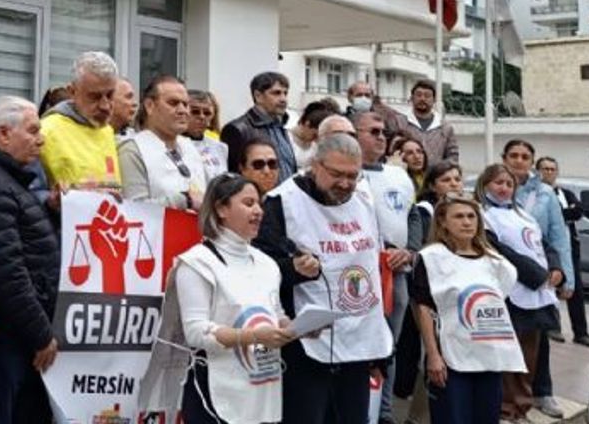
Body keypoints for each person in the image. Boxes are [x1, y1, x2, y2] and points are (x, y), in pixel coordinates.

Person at [255, 134, 392, 424]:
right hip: (305, 341)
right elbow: (259, 267)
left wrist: (379, 342)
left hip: (359, 337)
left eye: (352, 176)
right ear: (315, 165)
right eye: (336, 174)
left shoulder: (365, 198)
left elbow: (372, 268)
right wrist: (293, 269)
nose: (345, 183)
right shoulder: (283, 201)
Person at [145, 174, 295, 423]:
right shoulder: (197, 263)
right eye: (248, 203)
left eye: (259, 204)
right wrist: (255, 336)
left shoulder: (267, 264)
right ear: (221, 209)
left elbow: (276, 314)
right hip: (215, 388)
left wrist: (297, 328)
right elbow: (196, 332)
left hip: (262, 385)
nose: (258, 211)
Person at [0, 97, 58, 424]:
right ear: (4, 134)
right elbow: (8, 269)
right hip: (10, 335)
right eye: (33, 131)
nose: (41, 140)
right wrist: (41, 332)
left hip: (20, 332)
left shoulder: (11, 180)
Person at [412, 194, 527, 424]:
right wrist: (433, 355)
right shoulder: (431, 258)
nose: (466, 222)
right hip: (452, 359)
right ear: (443, 221)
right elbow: (423, 308)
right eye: (458, 216)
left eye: (471, 216)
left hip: (489, 358)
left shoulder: (497, 262)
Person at [475, 164, 561, 422]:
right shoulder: (481, 214)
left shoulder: (522, 213)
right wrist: (535, 274)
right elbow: (497, 249)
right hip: (510, 292)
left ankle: (521, 406)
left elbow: (543, 244)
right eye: (498, 183)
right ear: (485, 185)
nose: (504, 188)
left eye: (509, 184)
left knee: (529, 354)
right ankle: (504, 407)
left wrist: (556, 268)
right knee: (507, 353)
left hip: (538, 293)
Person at [502, 139, 572, 419]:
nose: (519, 160)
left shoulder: (544, 193)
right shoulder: (495, 188)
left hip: (540, 277)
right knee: (506, 340)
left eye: (525, 156)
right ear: (504, 158)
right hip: (506, 278)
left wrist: (566, 276)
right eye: (514, 155)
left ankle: (542, 392)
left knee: (539, 339)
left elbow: (558, 236)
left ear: (532, 162)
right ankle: (506, 399)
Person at [354, 111, 416, 424]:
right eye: (373, 131)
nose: (381, 137)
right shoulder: (345, 175)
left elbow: (413, 216)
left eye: (383, 132)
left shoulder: (399, 176)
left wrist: (410, 251)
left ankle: (385, 411)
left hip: (395, 273)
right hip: (358, 275)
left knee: (389, 344)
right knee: (360, 344)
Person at [393, 159, 466, 404]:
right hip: (431, 289)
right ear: (433, 185)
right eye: (446, 180)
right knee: (428, 350)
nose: (454, 184)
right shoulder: (425, 211)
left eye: (457, 179)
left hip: (458, 290)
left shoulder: (470, 210)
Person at [38, 52, 121, 193]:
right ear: (72, 92)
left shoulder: (107, 130)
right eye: (95, 97)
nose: (105, 106)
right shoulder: (45, 132)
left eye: (110, 95)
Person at [119, 76, 207, 210]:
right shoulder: (132, 150)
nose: (182, 110)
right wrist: (184, 200)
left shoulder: (190, 147)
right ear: (150, 106)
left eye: (185, 104)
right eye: (173, 103)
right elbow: (134, 210)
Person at [538, 156, 589, 347]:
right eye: (545, 169)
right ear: (537, 172)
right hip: (547, 248)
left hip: (570, 247)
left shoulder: (565, 193)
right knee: (550, 286)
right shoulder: (536, 195)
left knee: (575, 289)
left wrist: (562, 214)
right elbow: (546, 218)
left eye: (552, 169)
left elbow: (577, 211)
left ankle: (581, 332)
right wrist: (562, 214)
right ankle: (553, 327)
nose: (549, 172)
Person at [220, 72, 297, 183]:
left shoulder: (281, 127)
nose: (283, 99)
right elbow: (234, 177)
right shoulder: (237, 129)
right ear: (258, 96)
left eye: (285, 93)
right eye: (276, 93)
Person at [404, 79, 458, 167]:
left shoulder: (445, 128)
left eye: (427, 96)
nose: (422, 98)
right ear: (412, 98)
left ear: (434, 100)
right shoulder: (401, 123)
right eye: (419, 95)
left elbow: (453, 156)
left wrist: (440, 171)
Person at [186, 89, 230, 183]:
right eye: (195, 111)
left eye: (207, 113)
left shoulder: (220, 147)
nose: (202, 117)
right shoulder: (170, 144)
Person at [288, 99, 338, 171]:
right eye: (314, 135)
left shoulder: (315, 146)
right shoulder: (286, 138)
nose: (316, 140)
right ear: (307, 124)